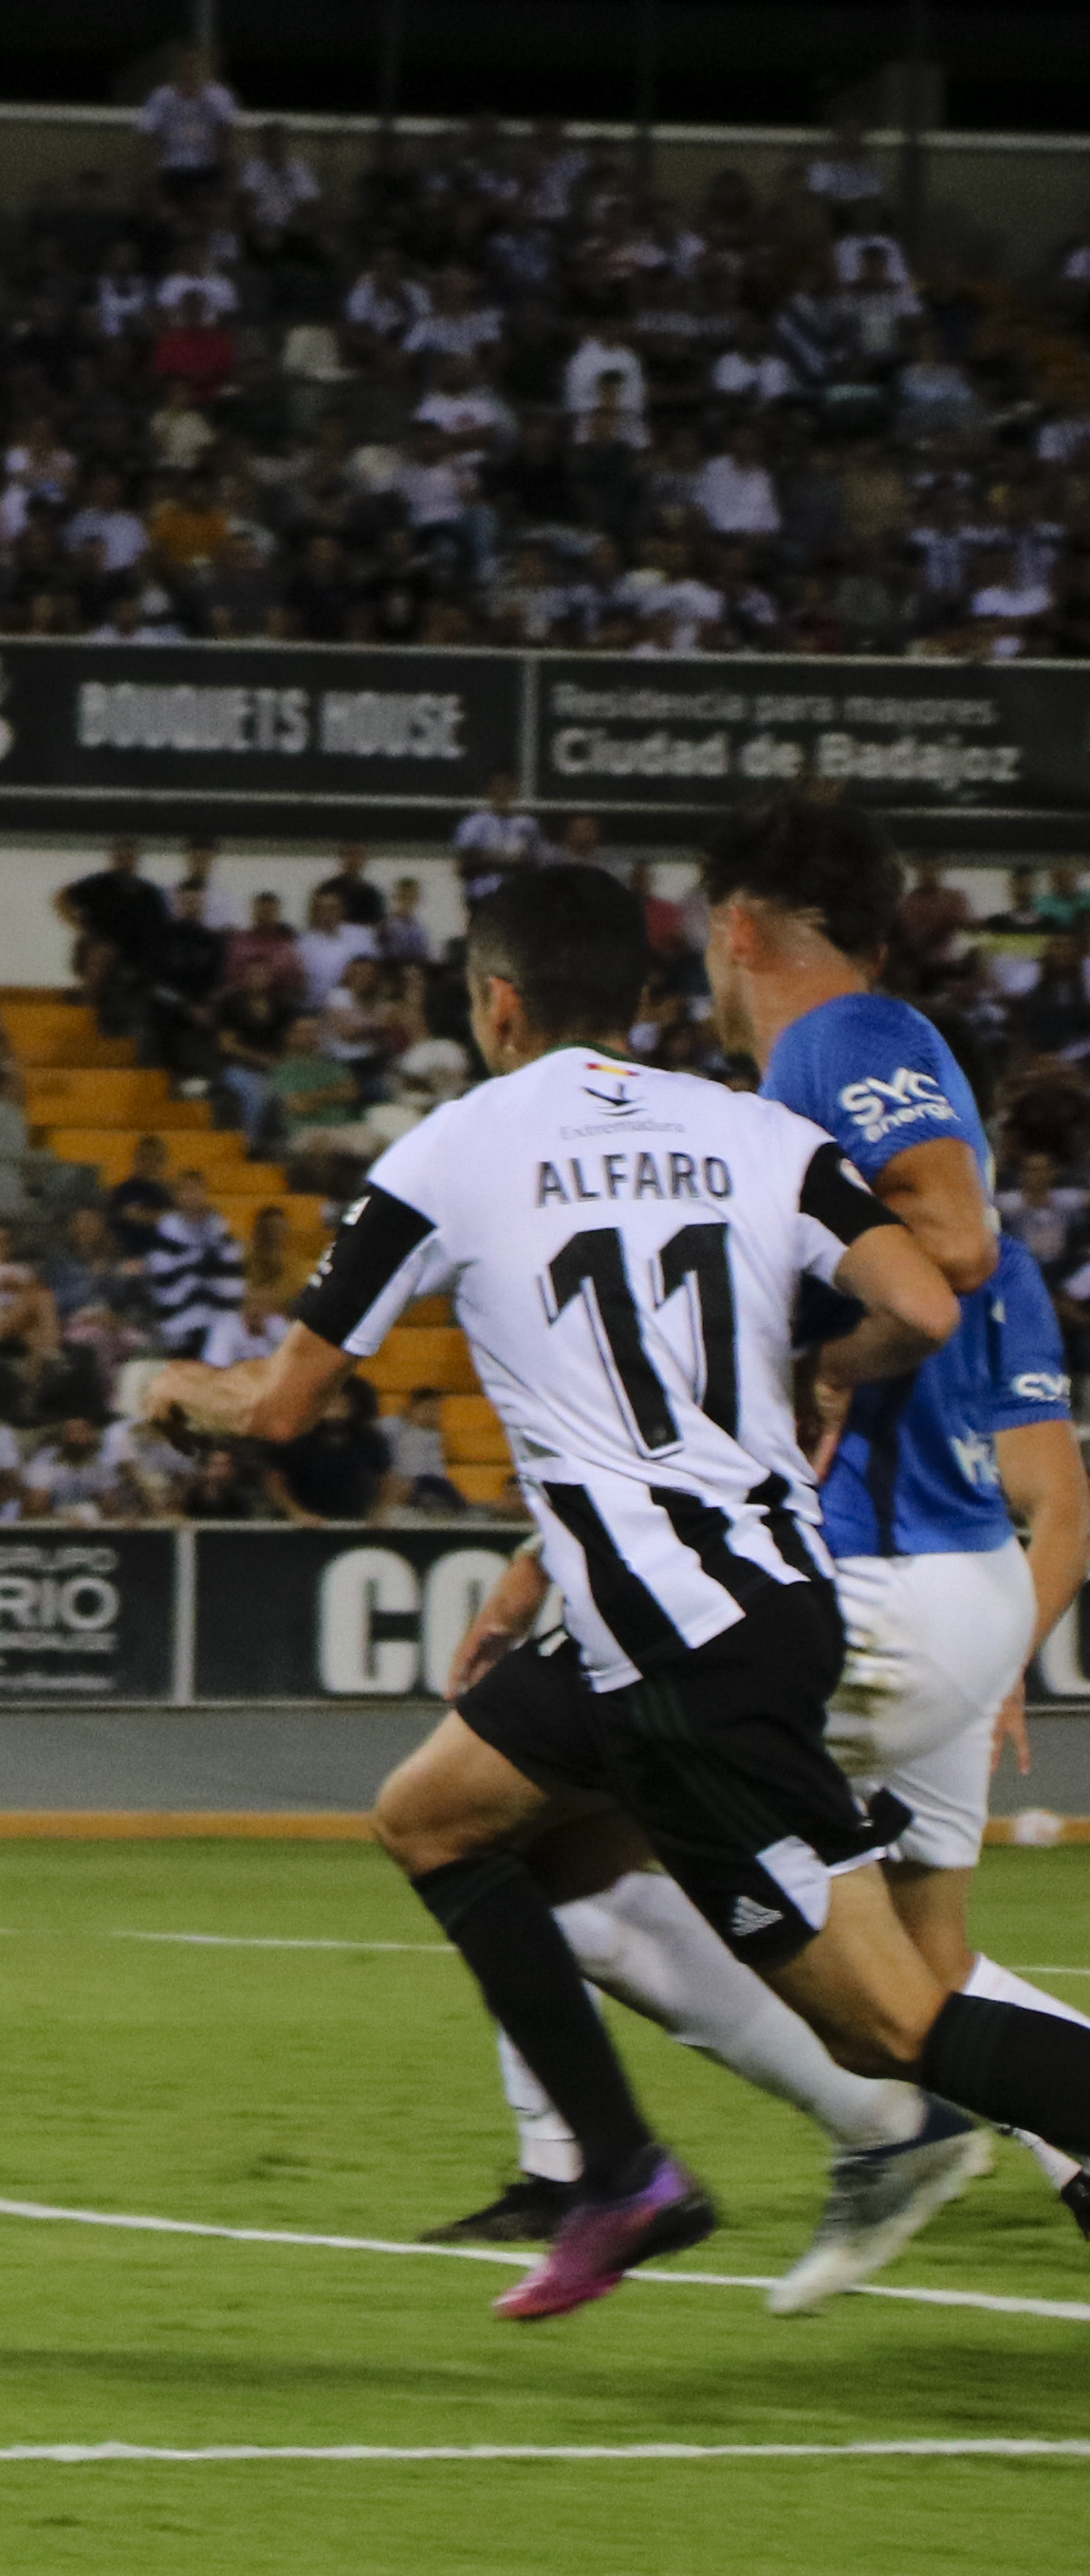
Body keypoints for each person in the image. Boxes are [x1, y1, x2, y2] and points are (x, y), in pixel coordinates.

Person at [139, 862, 1090, 2322]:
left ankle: (631, 2166)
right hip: (742, 1597)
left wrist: (178, 1395)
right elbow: (923, 1300)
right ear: (641, 999)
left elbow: (279, 1405)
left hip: (682, 1649)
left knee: (894, 2021)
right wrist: (829, 1371)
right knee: (435, 1813)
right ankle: (619, 2169)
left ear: (498, 1000)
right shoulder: (757, 1133)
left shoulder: (452, 1149)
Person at [398, 799, 1090, 2289]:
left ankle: (708, 2149)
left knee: (521, 1838)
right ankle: (708, 2145)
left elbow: (951, 1242)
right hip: (909, 1581)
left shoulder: (839, 1043)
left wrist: (829, 1358)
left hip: (854, 1578)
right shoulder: (800, 1089)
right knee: (920, 1967)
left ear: (732, 926)